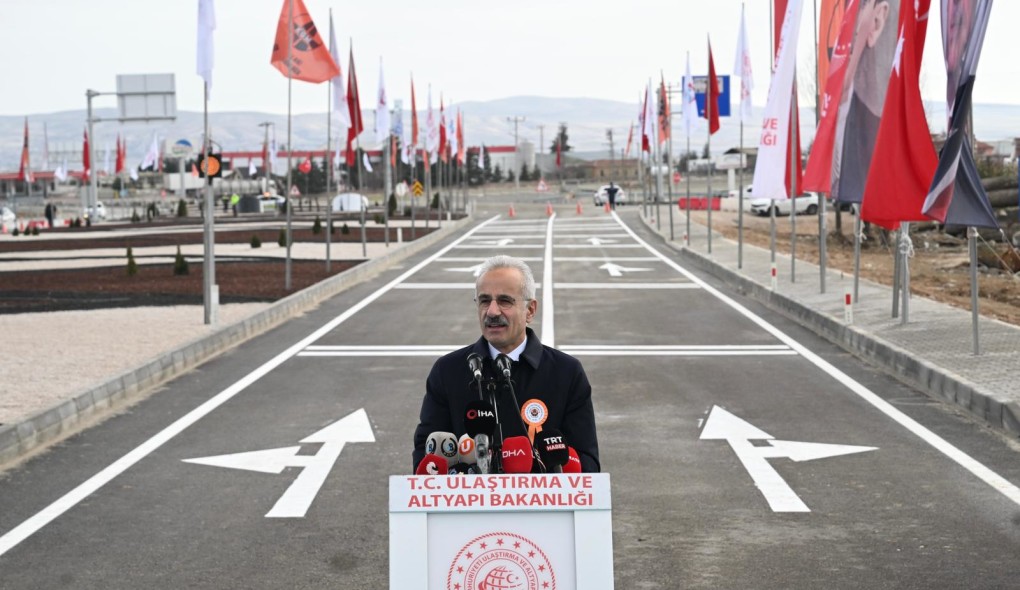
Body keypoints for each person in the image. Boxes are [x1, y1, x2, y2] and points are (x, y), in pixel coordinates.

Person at [412, 255, 600, 473]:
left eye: (504, 300)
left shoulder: (567, 373)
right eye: (484, 300)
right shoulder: (447, 371)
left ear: (530, 310)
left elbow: (588, 464)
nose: (492, 311)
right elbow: (425, 459)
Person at [831, 0, 898, 204]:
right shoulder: (835, 124)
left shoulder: (882, 133)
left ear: (877, 20)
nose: (840, 25)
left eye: (853, 7)